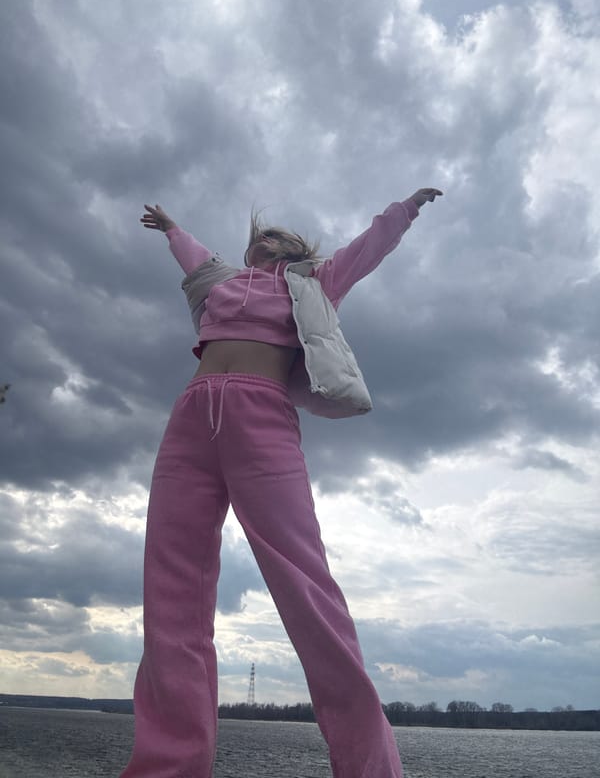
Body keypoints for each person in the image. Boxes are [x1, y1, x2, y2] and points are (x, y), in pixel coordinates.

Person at [120, 187, 442, 778]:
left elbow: (368, 248)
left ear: (299, 251)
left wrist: (404, 210)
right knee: (171, 593)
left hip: (262, 419)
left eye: (278, 236)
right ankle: (167, 768)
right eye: (257, 238)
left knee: (306, 585)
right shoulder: (219, 281)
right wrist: (170, 228)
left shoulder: (316, 283)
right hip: (189, 420)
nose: (265, 240)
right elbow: (192, 254)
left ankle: (371, 769)